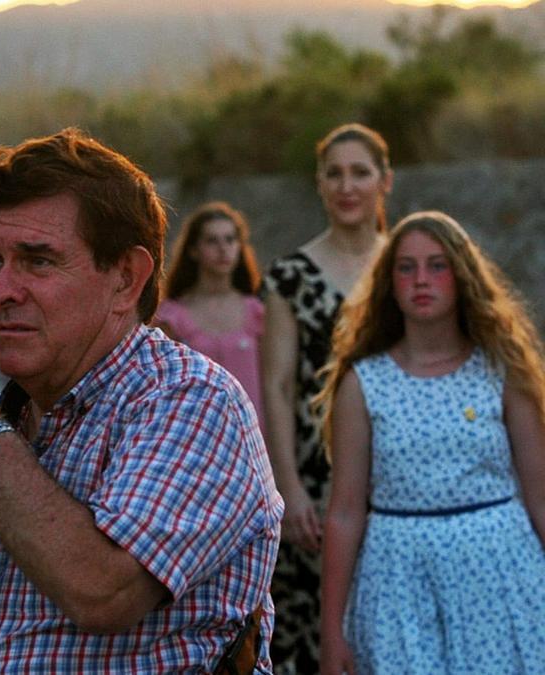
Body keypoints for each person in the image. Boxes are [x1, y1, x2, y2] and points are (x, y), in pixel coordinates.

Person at [0, 128, 282, 673]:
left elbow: (103, 593)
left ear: (126, 278)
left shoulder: (191, 401)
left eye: (38, 261)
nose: (0, 291)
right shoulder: (5, 422)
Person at [316, 211, 545, 674]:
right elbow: (343, 511)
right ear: (389, 281)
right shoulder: (363, 383)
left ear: (461, 276)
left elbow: (541, 496)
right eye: (406, 267)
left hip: (501, 576)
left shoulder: (502, 370)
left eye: (437, 265)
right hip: (397, 585)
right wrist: (331, 628)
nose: (422, 279)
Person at [260, 123, 392, 673]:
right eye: (334, 173)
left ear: (386, 181)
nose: (347, 185)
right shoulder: (289, 278)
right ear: (319, 184)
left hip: (397, 477)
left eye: (360, 172)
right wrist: (287, 488)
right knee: (319, 633)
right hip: (318, 482)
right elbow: (277, 386)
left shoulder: (409, 269)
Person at [156, 201, 265, 433]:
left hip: (252, 436)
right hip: (194, 435)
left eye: (230, 239)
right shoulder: (172, 317)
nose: (223, 248)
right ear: (194, 250)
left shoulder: (258, 312)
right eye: (212, 241)